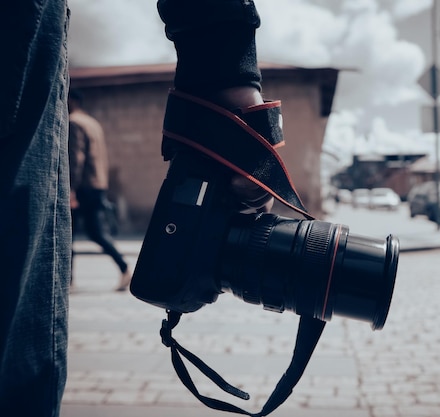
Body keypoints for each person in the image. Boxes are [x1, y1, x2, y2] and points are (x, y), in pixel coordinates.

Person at [0, 1, 271, 415]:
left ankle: (105, 270)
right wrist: (224, 58)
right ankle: (114, 270)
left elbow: (77, 159)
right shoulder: (89, 123)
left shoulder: (78, 125)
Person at [68, 89, 131, 292]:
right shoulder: (91, 122)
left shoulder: (73, 122)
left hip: (82, 187)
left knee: (68, 233)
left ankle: (68, 281)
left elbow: (76, 158)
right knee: (96, 233)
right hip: (96, 185)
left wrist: (71, 189)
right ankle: (124, 268)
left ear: (72, 100)